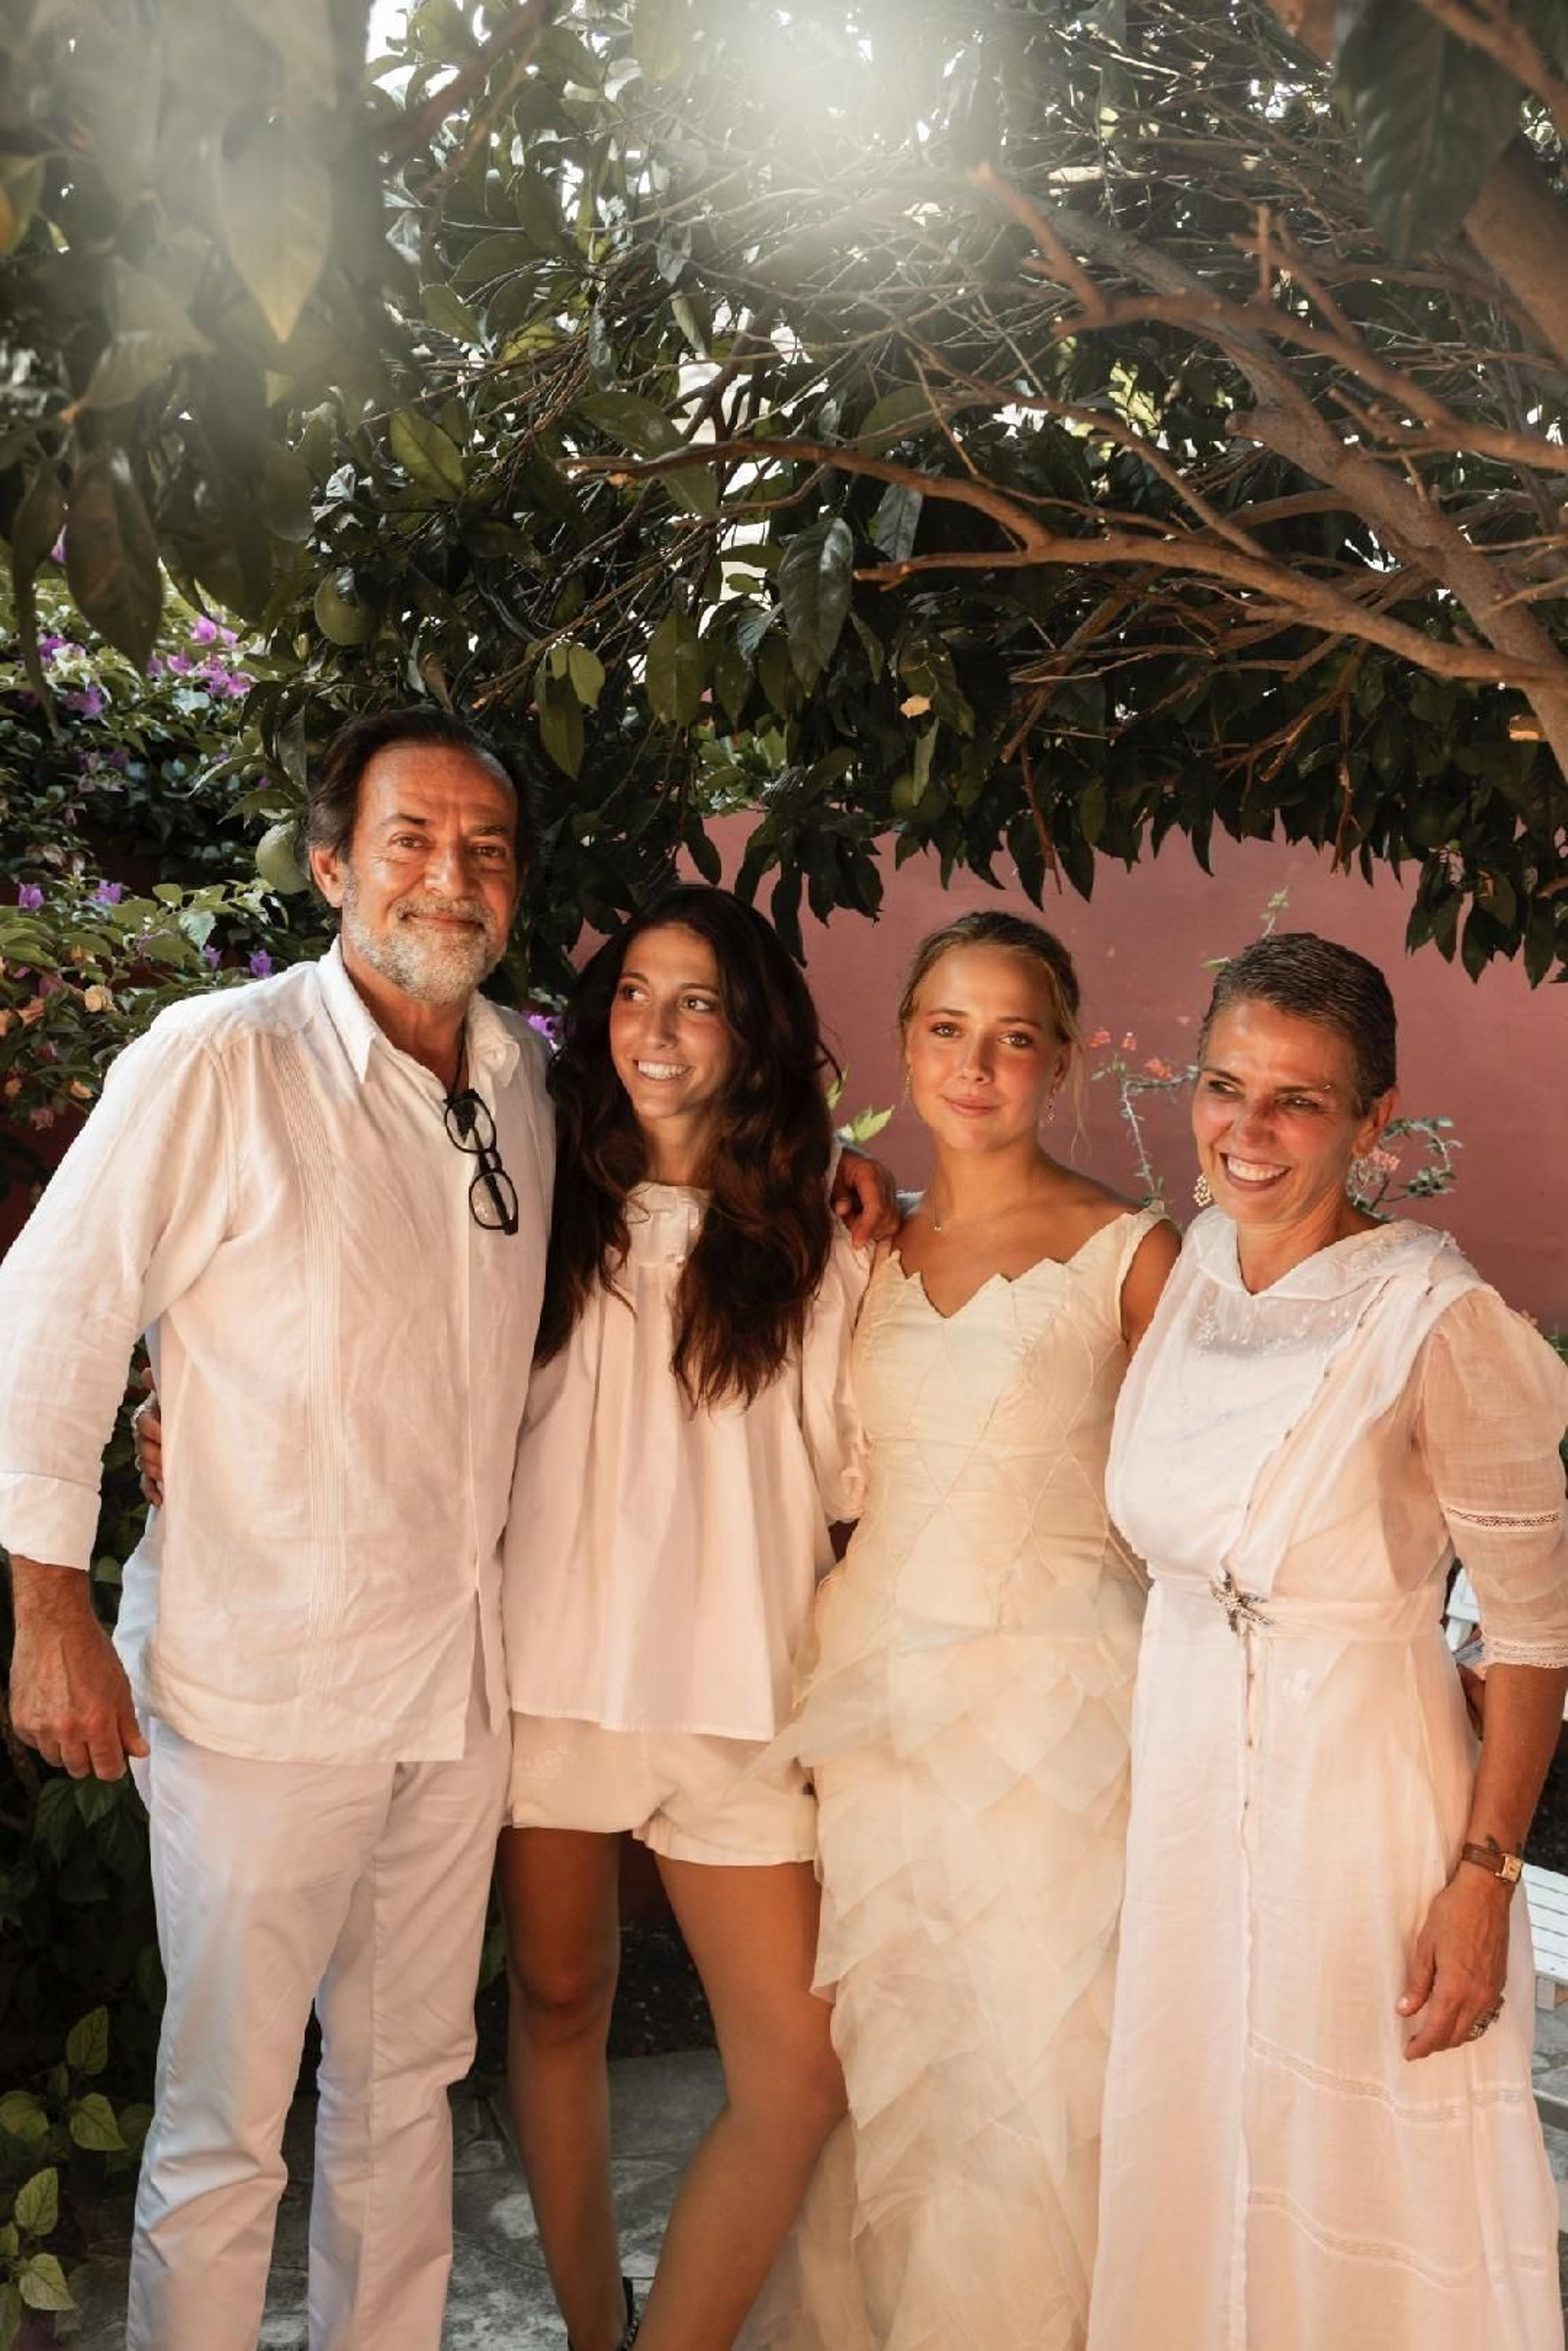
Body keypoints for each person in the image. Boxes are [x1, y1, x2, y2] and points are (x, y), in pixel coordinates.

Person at [0, 707, 552, 2351]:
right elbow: (56, 1315)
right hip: (261, 1690)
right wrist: (48, 1612)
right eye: (411, 840)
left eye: (485, 850)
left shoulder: (521, 1082)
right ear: (330, 866)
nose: (450, 877)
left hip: (455, 1694)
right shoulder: (217, 1060)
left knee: (409, 2093)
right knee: (227, 2118)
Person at [1088, 932, 1568, 2351]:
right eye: (1224, 1086)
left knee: (1365, 2159)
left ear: (1373, 1123)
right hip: (1181, 1792)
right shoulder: (1186, 1279)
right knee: (1203, 2139)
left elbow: (1537, 1638)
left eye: (1297, 1102)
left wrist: (1483, 1880)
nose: (1248, 1131)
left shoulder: (1439, 1316)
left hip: (1362, 1803)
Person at [745, 909, 1179, 2351]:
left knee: (1045, 2053)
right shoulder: (861, 1241)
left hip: (1067, 1707)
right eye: (946, 1028)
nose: (975, 1063)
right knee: (901, 2051)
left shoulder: (1134, 1253)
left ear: (1058, 1059)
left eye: (1011, 1036)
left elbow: (1212, 1484)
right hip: (879, 1700)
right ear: (906, 1045)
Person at [497, 885, 876, 2351]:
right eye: (636, 993)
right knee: (559, 1994)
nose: (659, 1028)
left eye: (700, 998)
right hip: (552, 1672)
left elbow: (853, 1477)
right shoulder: (528, 1202)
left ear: (754, 1030)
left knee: (797, 2072)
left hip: (742, 1683)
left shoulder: (819, 1237)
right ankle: (595, 2327)